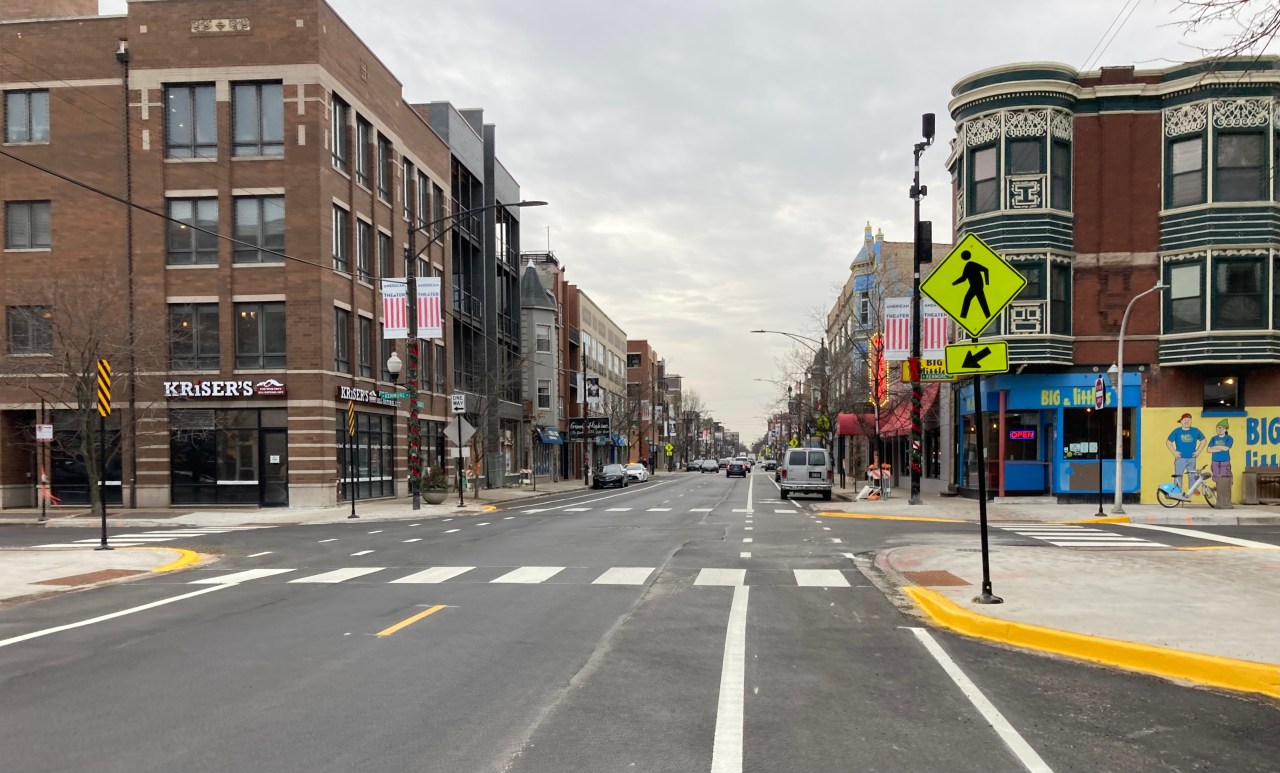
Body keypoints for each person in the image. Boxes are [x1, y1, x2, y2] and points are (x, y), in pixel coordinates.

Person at [1166, 413, 1207, 494]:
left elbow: (1203, 440)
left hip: (1192, 458)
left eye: (1189, 420)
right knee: (1178, 475)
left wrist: (1198, 451)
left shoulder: (1195, 431)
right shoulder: (1177, 431)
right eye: (1185, 420)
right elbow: (1168, 442)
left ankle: (1193, 489)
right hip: (1180, 458)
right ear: (1181, 421)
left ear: (1191, 421)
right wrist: (1174, 452)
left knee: (1192, 475)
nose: (1187, 421)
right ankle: (1177, 491)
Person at [1207, 418, 1234, 508]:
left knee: (1224, 480)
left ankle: (1224, 500)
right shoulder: (1213, 438)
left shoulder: (1229, 438)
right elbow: (1209, 449)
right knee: (1217, 479)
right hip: (1215, 461)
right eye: (1218, 428)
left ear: (1226, 429)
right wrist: (1221, 447)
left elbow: (1227, 448)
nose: (1219, 429)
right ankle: (1219, 500)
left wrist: (1215, 447)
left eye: (1221, 428)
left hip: (1225, 461)